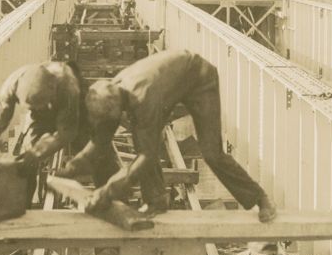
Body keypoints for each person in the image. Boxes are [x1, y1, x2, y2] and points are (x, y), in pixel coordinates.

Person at [62, 50, 276, 220]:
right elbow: (100, 139)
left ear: (117, 109)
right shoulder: (110, 91)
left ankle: (260, 198)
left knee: (211, 153)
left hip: (200, 78)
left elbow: (146, 155)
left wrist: (109, 189)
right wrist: (73, 166)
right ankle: (157, 200)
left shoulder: (143, 99)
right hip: (169, 80)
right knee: (142, 140)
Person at [0, 62, 90, 206]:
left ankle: (107, 195)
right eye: (36, 106)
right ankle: (23, 206)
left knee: (92, 150)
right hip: (40, 113)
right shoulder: (14, 82)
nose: (47, 108)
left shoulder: (68, 86)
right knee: (26, 161)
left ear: (51, 91)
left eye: (44, 104)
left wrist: (37, 152)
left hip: (76, 107)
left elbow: (67, 132)